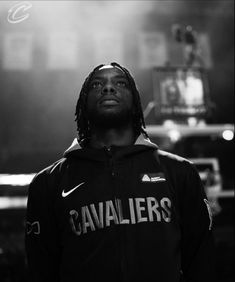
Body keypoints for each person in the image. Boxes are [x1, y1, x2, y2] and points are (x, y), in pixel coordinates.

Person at [25, 62, 216, 282]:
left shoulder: (179, 172)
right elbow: (41, 271)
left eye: (120, 83)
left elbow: (202, 262)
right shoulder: (49, 182)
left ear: (135, 102)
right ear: (83, 104)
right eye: (97, 84)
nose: (108, 88)